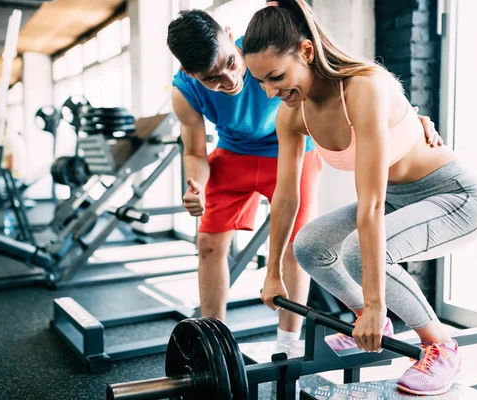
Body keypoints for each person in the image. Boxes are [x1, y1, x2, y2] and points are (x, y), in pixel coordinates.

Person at [243, 0, 477, 396]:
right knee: (311, 245)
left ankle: (441, 345)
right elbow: (285, 196)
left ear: (306, 52)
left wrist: (379, 302)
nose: (271, 91)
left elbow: (371, 206)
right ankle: (367, 315)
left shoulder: (363, 88)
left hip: (454, 197)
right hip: (399, 200)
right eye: (260, 82)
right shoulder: (292, 114)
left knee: (360, 251)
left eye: (275, 76)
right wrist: (273, 270)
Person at [166, 8, 441, 361]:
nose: (230, 80)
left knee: (300, 242)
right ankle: (213, 343)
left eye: (230, 64)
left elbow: (345, 76)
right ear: (190, 74)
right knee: (207, 242)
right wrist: (197, 188)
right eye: (212, 79)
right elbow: (194, 153)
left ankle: (287, 342)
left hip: (292, 147)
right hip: (233, 151)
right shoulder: (184, 92)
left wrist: (405, 117)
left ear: (230, 36)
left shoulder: (262, 50)